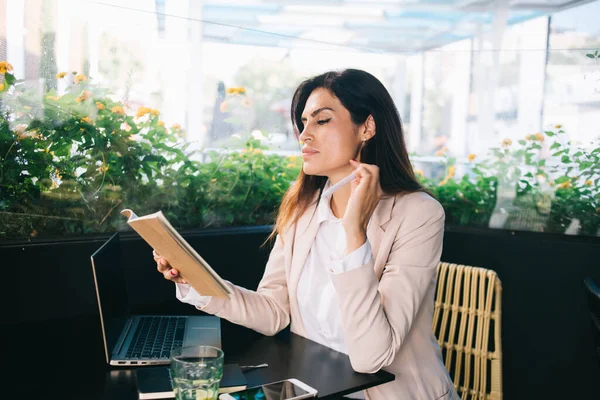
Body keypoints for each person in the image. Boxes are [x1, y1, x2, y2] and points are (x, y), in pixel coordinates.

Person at [154, 69, 458, 400]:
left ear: (367, 127)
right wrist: (194, 281)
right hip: (315, 389)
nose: (304, 134)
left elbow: (373, 356)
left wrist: (354, 233)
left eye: (322, 120)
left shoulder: (418, 214)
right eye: (303, 123)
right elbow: (273, 312)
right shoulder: (304, 209)